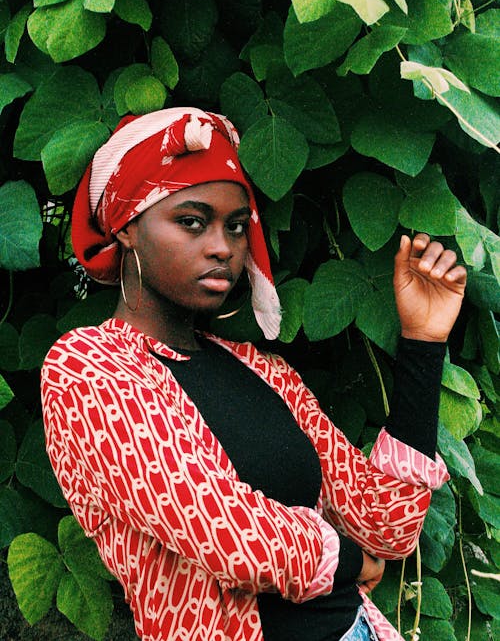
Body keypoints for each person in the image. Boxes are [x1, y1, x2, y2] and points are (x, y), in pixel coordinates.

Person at [41, 107, 467, 641]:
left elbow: (385, 524)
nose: (223, 247)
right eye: (192, 222)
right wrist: (346, 559)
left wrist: (422, 347)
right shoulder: (86, 367)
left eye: (237, 227)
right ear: (127, 227)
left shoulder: (262, 370)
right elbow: (223, 530)